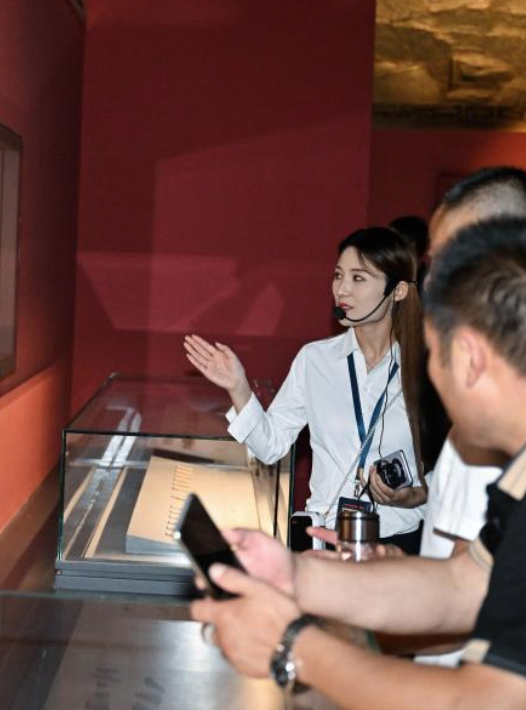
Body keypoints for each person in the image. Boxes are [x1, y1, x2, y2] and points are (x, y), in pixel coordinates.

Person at [191, 218, 526, 709]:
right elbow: (468, 585)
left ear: (472, 356)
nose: (432, 381)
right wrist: (297, 577)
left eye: (434, 357)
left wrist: (291, 646)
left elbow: (493, 700)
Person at [184, 226, 439, 555]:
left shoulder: (428, 368)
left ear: (398, 291)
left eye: (358, 278)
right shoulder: (315, 360)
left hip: (399, 542)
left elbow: (457, 466)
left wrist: (416, 494)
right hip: (326, 538)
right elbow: (271, 446)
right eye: (338, 275)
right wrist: (239, 387)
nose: (342, 289)